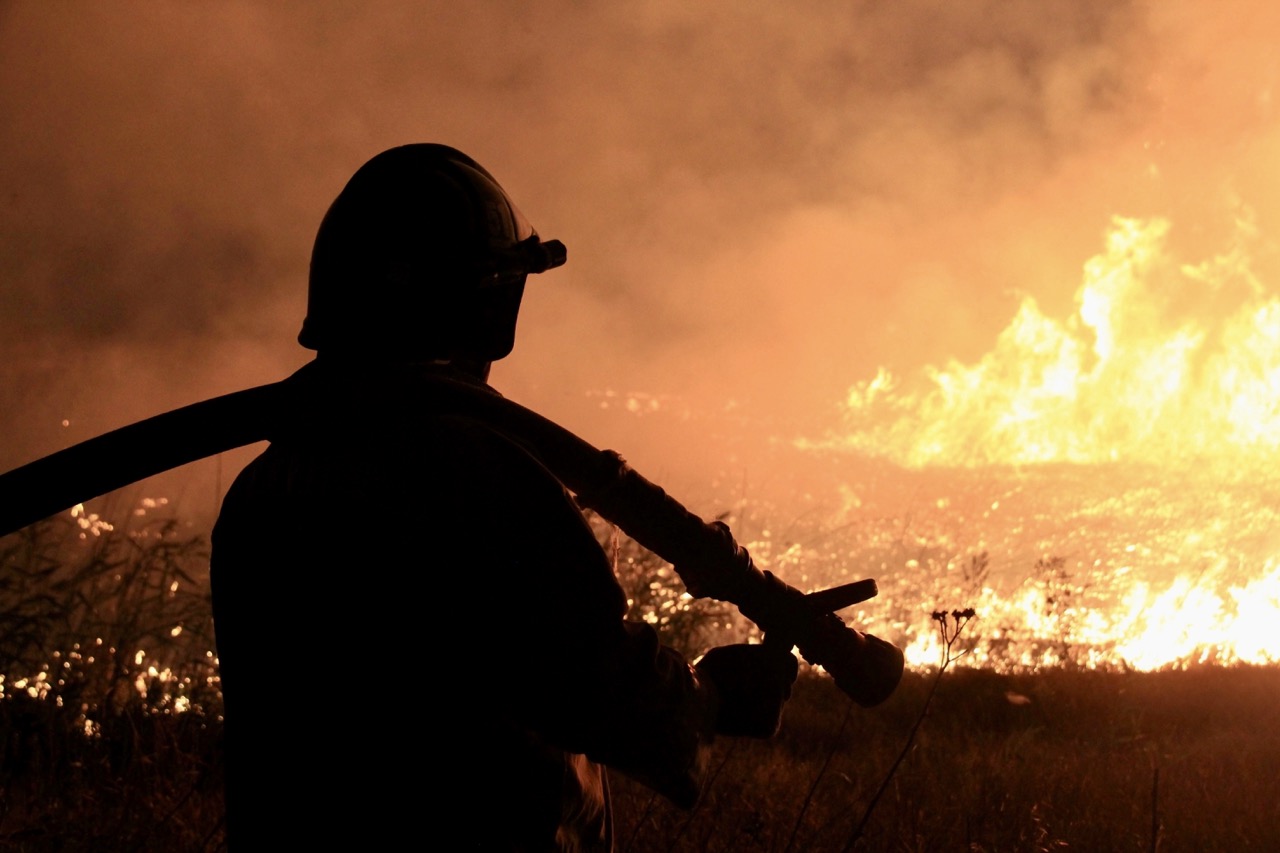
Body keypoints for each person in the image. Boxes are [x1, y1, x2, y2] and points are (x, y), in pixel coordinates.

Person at [209, 143, 799, 850]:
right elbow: (587, 674)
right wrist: (711, 695)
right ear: (486, 304)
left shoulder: (268, 485)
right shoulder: (469, 467)